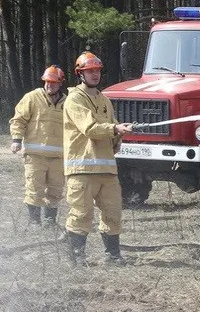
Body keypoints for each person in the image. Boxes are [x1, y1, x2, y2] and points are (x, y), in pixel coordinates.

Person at [62, 51, 133, 265]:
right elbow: (90, 128)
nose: (95, 74)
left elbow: (111, 135)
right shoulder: (75, 99)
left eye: (97, 71)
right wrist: (114, 128)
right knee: (81, 214)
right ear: (80, 74)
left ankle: (113, 256)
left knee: (113, 213)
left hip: (107, 170)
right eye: (89, 71)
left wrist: (119, 134)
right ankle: (77, 256)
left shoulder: (105, 100)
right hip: (81, 168)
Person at [9, 65, 67, 228]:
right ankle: (34, 221)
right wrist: (16, 139)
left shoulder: (67, 103)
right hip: (35, 155)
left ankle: (50, 221)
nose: (50, 85)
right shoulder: (32, 98)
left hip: (58, 157)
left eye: (54, 82)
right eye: (47, 82)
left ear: (60, 83)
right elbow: (19, 120)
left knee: (56, 190)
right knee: (35, 188)